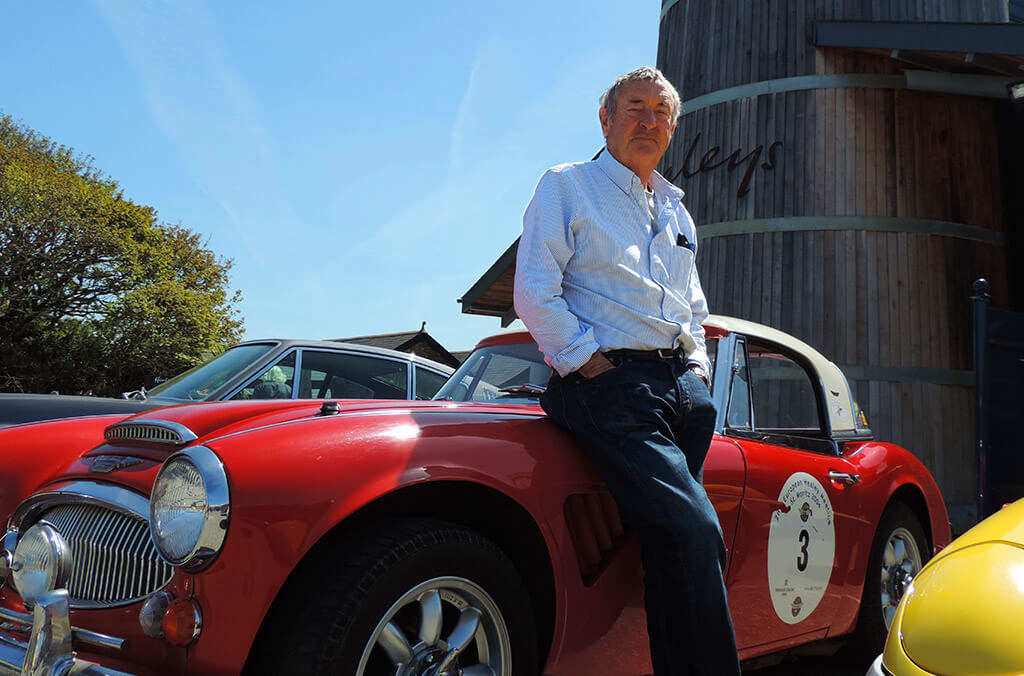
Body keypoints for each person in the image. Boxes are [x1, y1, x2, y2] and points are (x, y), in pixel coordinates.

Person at [513, 67, 741, 676]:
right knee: (695, 535)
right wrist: (589, 363)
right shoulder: (568, 185)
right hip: (610, 389)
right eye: (636, 107)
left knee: (674, 549)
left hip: (680, 394)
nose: (650, 120)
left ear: (672, 128)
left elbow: (693, 308)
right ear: (606, 119)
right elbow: (534, 289)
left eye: (662, 113)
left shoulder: (677, 210)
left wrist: (696, 371)